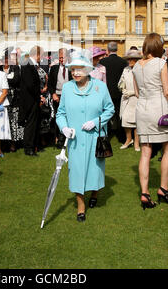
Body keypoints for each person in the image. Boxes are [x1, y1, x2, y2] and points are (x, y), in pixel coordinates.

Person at [56, 52, 114, 222]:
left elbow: (110, 109)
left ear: (88, 70)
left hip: (96, 137)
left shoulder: (100, 87)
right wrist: (64, 127)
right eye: (73, 69)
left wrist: (96, 122)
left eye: (79, 69)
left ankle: (95, 192)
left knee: (95, 170)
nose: (76, 73)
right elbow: (61, 113)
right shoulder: (67, 88)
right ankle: (81, 206)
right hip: (75, 139)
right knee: (76, 171)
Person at [132, 33, 168, 209]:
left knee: (145, 152)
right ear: (158, 47)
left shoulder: (136, 66)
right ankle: (163, 188)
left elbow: (136, 92)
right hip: (159, 110)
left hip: (141, 110)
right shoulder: (160, 63)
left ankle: (144, 192)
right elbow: (167, 91)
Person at [99, 41, 127, 142]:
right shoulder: (123, 62)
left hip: (106, 92)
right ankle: (122, 136)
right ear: (117, 49)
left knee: (106, 113)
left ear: (108, 50)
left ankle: (107, 134)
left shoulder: (102, 62)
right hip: (119, 92)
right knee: (119, 114)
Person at [19, 46, 44, 156]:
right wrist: (39, 96)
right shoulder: (27, 64)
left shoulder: (31, 64)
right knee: (30, 124)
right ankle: (28, 148)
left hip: (33, 98)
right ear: (37, 54)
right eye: (41, 55)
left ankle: (34, 145)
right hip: (30, 100)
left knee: (35, 123)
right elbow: (30, 84)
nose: (41, 58)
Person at [0, 52, 23, 152]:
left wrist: (5, 80)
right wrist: (7, 80)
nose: (6, 61)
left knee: (14, 121)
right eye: (5, 59)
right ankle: (3, 143)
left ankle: (13, 143)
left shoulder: (15, 68)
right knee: (3, 121)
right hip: (2, 98)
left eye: (8, 59)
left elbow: (16, 80)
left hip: (14, 99)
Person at [48, 48, 72, 148]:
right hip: (57, 96)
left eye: (63, 57)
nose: (61, 59)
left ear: (67, 57)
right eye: (60, 58)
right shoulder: (53, 68)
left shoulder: (72, 68)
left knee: (69, 118)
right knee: (59, 118)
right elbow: (49, 84)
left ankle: (66, 139)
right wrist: (53, 94)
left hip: (70, 97)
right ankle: (58, 138)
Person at [118, 49, 141, 151]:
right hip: (126, 98)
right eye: (129, 59)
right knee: (125, 120)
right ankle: (128, 139)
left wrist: (133, 92)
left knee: (136, 121)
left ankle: (136, 142)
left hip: (136, 98)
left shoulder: (141, 69)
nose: (130, 61)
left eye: (132, 59)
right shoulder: (125, 69)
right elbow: (121, 82)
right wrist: (123, 88)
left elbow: (143, 85)